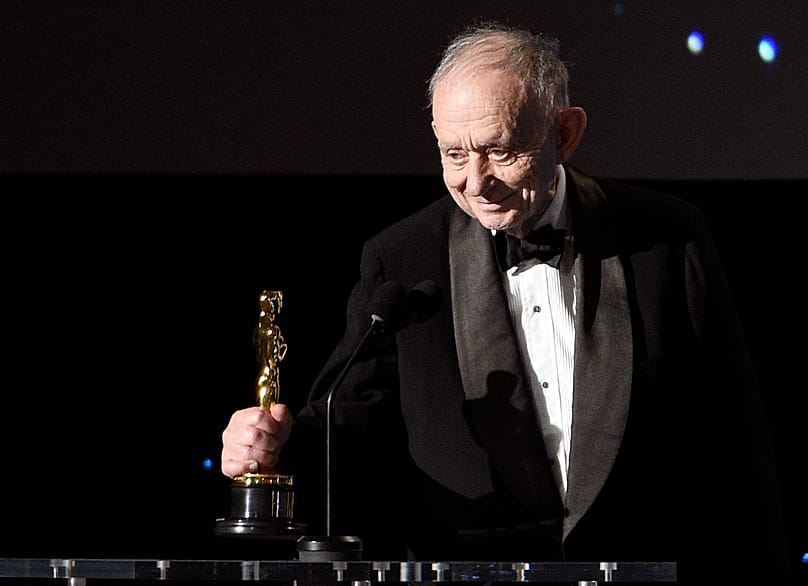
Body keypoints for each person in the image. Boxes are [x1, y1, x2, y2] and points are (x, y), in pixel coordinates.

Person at [221, 22, 791, 584]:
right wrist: (272, 449)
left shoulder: (667, 238)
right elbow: (344, 433)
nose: (475, 182)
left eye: (498, 151)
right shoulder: (402, 258)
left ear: (565, 133)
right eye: (454, 154)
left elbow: (733, 446)